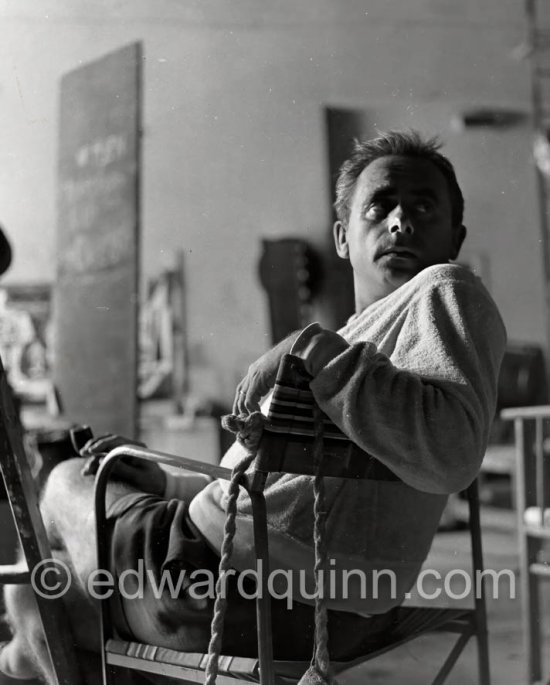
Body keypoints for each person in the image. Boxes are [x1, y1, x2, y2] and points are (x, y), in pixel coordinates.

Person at [0, 130, 506, 682]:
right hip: (310, 610)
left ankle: (20, 659)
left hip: (214, 585)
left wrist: (310, 346)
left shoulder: (441, 289)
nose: (401, 222)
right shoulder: (367, 344)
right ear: (342, 236)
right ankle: (21, 658)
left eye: (424, 207)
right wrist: (168, 481)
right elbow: (277, 488)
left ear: (455, 237)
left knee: (63, 482)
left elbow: (454, 452)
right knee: (43, 605)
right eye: (379, 206)